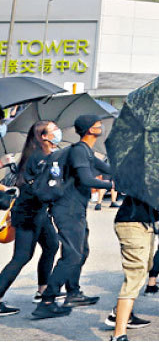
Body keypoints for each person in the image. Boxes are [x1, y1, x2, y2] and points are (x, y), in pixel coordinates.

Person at [34, 114, 113, 319]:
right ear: (90, 129)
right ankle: (47, 301)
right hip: (67, 209)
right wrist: (111, 184)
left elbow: (108, 169)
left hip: (76, 209)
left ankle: (73, 293)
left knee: (81, 251)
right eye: (98, 125)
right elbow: (86, 179)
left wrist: (129, 173)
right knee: (72, 255)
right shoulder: (79, 151)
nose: (101, 127)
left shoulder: (86, 151)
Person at [0, 122, 61, 316]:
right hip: (29, 213)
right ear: (43, 136)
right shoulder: (38, 158)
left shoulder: (43, 156)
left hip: (38, 212)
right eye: (54, 130)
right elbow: (41, 188)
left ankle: (43, 290)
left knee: (51, 245)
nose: (57, 132)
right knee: (22, 256)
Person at [108, 195, 158, 341]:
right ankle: (119, 335)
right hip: (133, 224)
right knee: (134, 277)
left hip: (145, 224)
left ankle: (121, 313)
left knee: (146, 268)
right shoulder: (141, 181)